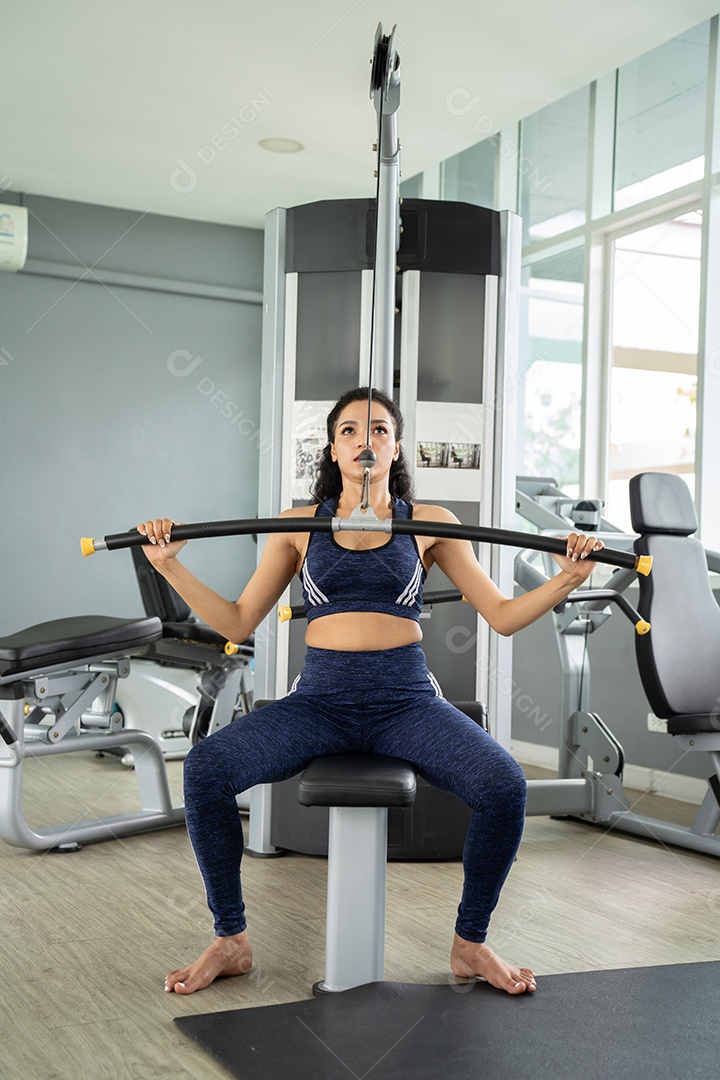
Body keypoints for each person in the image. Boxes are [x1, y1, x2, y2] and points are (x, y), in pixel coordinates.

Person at [138, 386, 603, 997]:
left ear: (396, 446)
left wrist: (568, 578)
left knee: (504, 786)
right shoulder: (297, 525)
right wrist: (168, 564)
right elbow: (236, 623)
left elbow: (503, 615)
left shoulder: (431, 523)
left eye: (379, 430)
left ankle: (470, 944)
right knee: (205, 769)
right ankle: (231, 940)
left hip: (405, 699)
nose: (366, 440)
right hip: (319, 702)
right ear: (332, 449)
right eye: (351, 431)